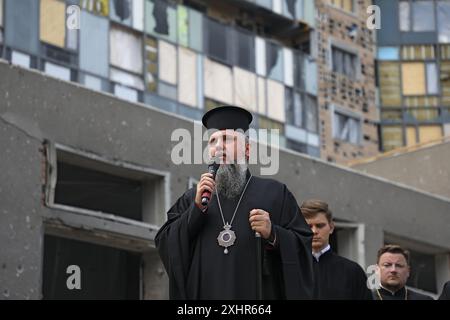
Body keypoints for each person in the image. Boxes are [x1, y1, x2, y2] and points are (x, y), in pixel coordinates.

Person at [155, 105, 314, 299]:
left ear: (247, 149)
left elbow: (303, 245)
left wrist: (273, 234)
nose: (219, 147)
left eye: (227, 139)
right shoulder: (192, 198)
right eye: (213, 141)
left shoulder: (275, 193)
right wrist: (194, 212)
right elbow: (165, 242)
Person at [300, 199, 372, 300]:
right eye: (309, 226)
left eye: (320, 225)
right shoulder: (289, 269)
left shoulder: (353, 271)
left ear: (331, 227)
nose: (314, 231)